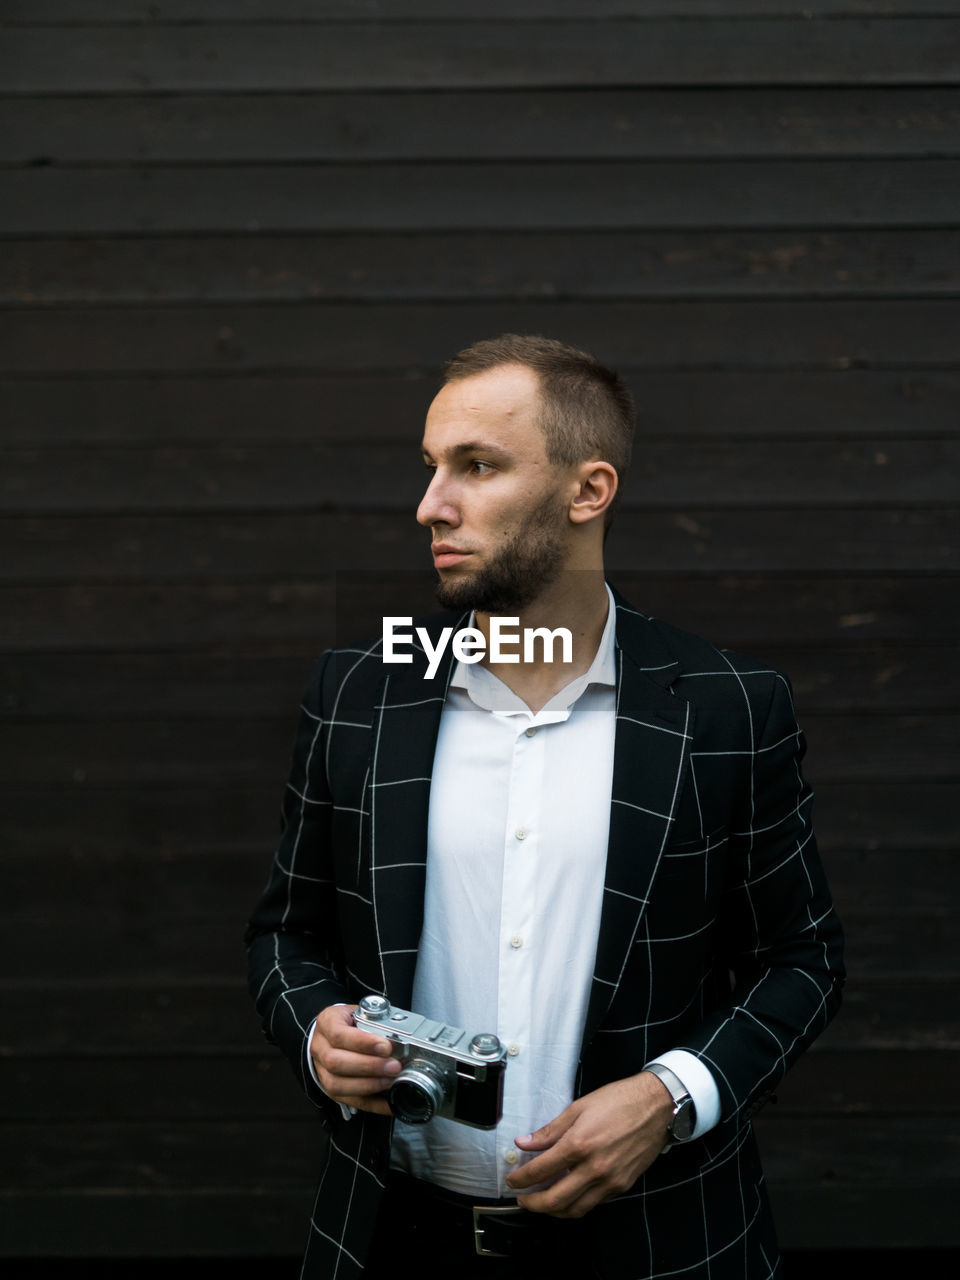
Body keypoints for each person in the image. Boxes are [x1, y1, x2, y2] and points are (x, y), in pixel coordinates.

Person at [246, 334, 844, 1279]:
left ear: (588, 490)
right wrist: (317, 1030)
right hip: (388, 1243)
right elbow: (286, 934)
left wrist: (674, 1094)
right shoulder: (359, 689)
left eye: (477, 466)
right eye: (432, 467)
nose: (430, 505)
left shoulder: (727, 704)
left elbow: (801, 959)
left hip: (663, 1247)